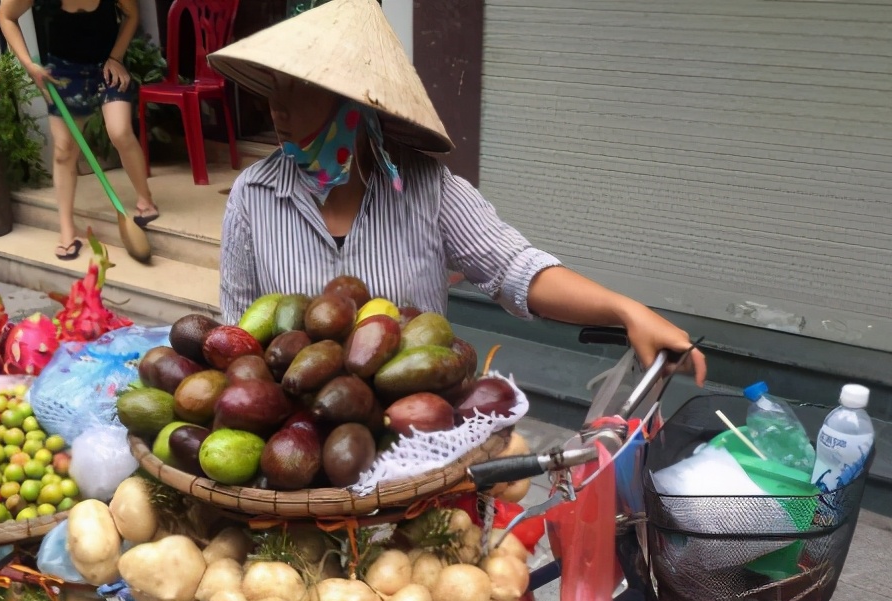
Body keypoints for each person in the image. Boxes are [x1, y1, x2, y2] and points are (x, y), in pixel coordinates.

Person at [209, 0, 705, 384]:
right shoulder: (254, 196)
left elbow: (516, 268)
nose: (277, 108)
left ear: (352, 104)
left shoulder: (428, 189)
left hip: (414, 450)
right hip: (299, 452)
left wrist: (626, 310)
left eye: (297, 89)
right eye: (274, 88)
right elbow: (235, 335)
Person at [0, 0, 159, 260]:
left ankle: (145, 199)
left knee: (119, 132)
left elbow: (131, 14)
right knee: (64, 151)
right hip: (64, 73)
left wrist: (116, 57)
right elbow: (6, 16)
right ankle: (67, 231)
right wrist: (29, 64)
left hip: (106, 67)